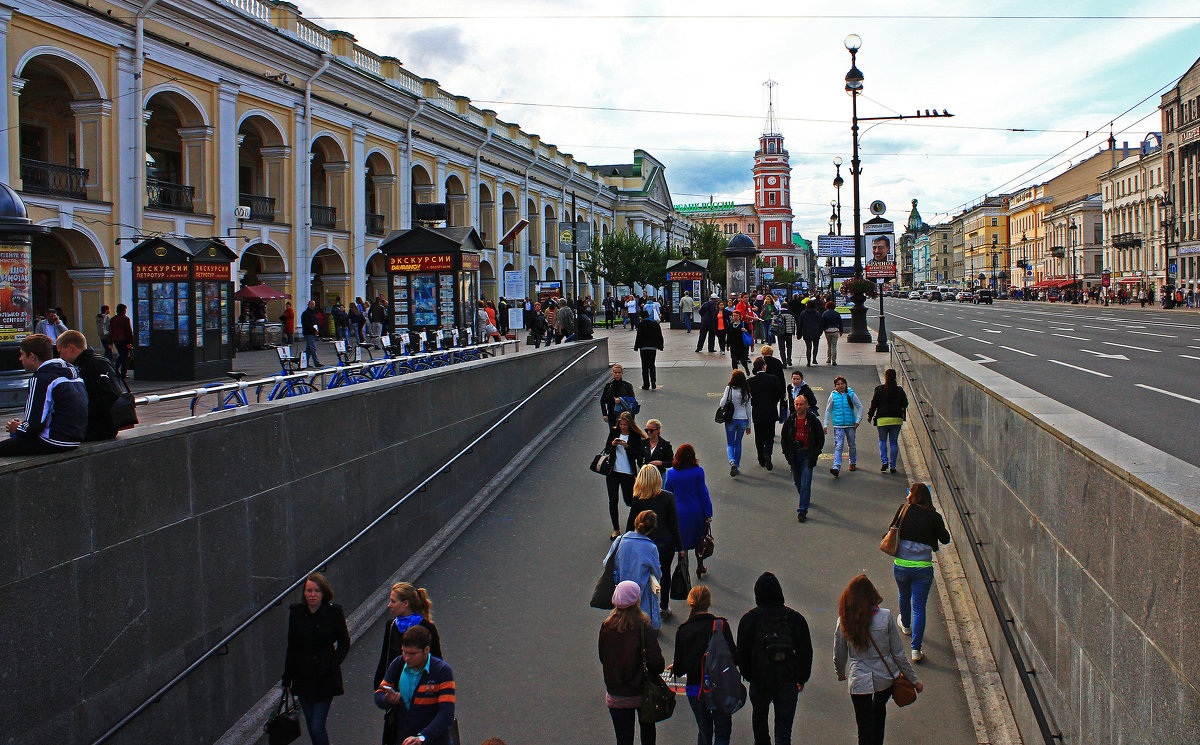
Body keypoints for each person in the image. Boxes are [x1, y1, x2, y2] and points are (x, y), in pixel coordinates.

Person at [834, 574, 922, 745]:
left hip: (858, 679)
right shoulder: (885, 616)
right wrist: (913, 680)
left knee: (863, 726)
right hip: (885, 677)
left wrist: (840, 673)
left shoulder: (844, 621)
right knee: (878, 712)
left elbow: (839, 653)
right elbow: (898, 654)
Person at [736, 572, 813, 745]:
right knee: (784, 735)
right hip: (787, 681)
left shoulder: (749, 620)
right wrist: (801, 678)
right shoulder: (795, 619)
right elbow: (805, 652)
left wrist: (751, 676)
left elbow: (742, 654)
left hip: (760, 681)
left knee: (760, 728)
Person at [283, 573, 351, 745]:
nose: (312, 594)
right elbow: (292, 646)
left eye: (316, 591)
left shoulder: (333, 613)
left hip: (324, 676)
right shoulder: (297, 613)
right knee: (312, 724)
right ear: (304, 593)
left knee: (316, 726)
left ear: (323, 593)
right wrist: (287, 678)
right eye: (309, 591)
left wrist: (333, 662)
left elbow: (344, 641)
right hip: (303, 676)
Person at [890, 483, 951, 662]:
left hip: (901, 564)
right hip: (923, 567)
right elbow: (945, 539)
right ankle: (916, 650)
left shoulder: (903, 510)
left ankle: (906, 625)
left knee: (903, 595)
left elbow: (890, 530)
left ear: (913, 496)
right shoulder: (934, 516)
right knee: (919, 607)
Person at [599, 580, 665, 745]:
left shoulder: (606, 627)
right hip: (642, 693)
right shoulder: (643, 627)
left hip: (616, 692)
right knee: (648, 735)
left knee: (623, 739)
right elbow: (657, 663)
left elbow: (603, 657)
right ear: (636, 600)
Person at [0, 334, 87, 457]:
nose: (20, 359)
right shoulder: (73, 374)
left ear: (32, 356)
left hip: (52, 440)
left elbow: (34, 424)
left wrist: (18, 428)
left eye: (22, 354)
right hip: (74, 439)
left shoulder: (41, 378)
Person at [673, 585, 737, 745]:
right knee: (722, 732)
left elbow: (680, 669)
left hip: (696, 688)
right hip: (720, 688)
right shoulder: (721, 626)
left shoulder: (683, 630)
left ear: (690, 603)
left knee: (704, 732)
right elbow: (734, 657)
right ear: (709, 603)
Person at [375, 625, 456, 745]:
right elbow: (379, 695)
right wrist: (387, 699)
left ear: (426, 650)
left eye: (413, 654)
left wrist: (422, 737)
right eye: (404, 652)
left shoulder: (442, 671)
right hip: (403, 740)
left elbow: (446, 714)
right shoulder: (398, 664)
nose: (407, 658)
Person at [625, 465, 684, 620]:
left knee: (645, 576)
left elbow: (631, 524)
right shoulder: (668, 497)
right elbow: (674, 524)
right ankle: (663, 606)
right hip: (666, 543)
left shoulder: (638, 500)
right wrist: (680, 547)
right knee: (665, 574)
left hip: (644, 544)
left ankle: (646, 608)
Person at [373, 582, 443, 689]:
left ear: (405, 603)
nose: (389, 605)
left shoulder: (427, 627)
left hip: (421, 689)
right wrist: (379, 686)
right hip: (397, 689)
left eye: (393, 601)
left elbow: (436, 661)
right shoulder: (391, 626)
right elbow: (385, 657)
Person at [55, 330, 121, 442]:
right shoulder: (78, 366)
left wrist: (82, 412)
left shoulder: (96, 363)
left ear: (70, 348)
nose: (60, 356)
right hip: (87, 426)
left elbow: (110, 394)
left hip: (98, 428)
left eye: (60, 352)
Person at [605, 512, 665, 630]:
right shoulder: (650, 547)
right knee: (642, 624)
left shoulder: (620, 540)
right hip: (642, 593)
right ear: (652, 529)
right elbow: (657, 573)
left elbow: (607, 562)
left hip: (622, 588)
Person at [663, 444, 713, 578]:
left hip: (680, 513)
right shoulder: (698, 471)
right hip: (696, 511)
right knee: (700, 540)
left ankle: (683, 570)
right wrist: (708, 513)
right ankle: (700, 566)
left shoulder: (672, 473)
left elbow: (668, 492)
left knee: (682, 543)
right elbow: (703, 493)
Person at [781, 394, 825, 522]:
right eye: (796, 404)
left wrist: (816, 453)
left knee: (806, 483)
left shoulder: (813, 421)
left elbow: (820, 438)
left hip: (807, 455)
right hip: (794, 455)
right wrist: (786, 453)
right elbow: (784, 438)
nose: (798, 407)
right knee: (798, 482)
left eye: (801, 404)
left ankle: (802, 510)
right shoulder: (790, 420)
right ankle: (804, 498)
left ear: (806, 405)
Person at [604, 412, 646, 540]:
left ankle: (635, 524)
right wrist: (613, 445)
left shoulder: (635, 436)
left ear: (630, 425)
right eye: (621, 424)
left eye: (625, 425)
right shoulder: (614, 432)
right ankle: (616, 529)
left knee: (629, 501)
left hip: (627, 472)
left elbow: (637, 456)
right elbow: (606, 450)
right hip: (613, 472)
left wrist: (627, 446)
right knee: (613, 500)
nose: (623, 427)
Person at [866, 369, 909, 473]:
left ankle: (884, 461)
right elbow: (905, 403)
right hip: (896, 419)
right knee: (894, 442)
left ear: (885, 377)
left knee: (882, 440)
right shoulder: (899, 390)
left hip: (882, 419)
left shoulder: (879, 389)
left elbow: (874, 404)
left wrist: (870, 415)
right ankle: (893, 465)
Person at [748, 357, 785, 470]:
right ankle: (768, 453)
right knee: (769, 435)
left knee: (759, 435)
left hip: (757, 412)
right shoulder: (773, 379)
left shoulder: (750, 381)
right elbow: (779, 394)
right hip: (770, 411)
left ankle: (761, 457)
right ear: (764, 367)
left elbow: (749, 398)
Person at [823, 375, 863, 477]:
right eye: (838, 384)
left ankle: (852, 462)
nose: (840, 386)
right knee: (838, 446)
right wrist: (825, 424)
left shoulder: (851, 394)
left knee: (852, 444)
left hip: (850, 425)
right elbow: (828, 410)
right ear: (835, 386)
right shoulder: (833, 395)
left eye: (842, 384)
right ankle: (836, 466)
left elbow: (859, 406)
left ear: (845, 384)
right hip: (838, 425)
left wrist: (858, 420)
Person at [717, 370, 753, 477]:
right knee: (738, 443)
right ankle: (737, 464)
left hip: (731, 419)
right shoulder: (746, 391)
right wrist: (749, 425)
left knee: (730, 443)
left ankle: (732, 461)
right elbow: (749, 410)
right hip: (743, 419)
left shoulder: (729, 389)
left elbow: (722, 403)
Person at [633, 310, 664, 390]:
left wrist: (636, 347)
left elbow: (638, 336)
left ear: (641, 317)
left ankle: (646, 385)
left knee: (645, 366)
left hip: (643, 348)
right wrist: (660, 346)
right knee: (652, 365)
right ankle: (653, 381)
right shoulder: (655, 323)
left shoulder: (641, 324)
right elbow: (659, 335)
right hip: (653, 347)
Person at [107, 304, 133, 377]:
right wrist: (131, 341)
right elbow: (128, 331)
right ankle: (121, 371)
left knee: (121, 354)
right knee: (124, 355)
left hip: (116, 340)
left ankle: (117, 369)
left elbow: (111, 331)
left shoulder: (113, 319)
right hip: (125, 339)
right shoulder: (125, 319)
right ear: (123, 310)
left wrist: (110, 342)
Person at [798, 300, 822, 367]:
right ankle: (814, 359)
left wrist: (799, 333)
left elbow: (800, 324)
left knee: (808, 347)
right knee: (816, 346)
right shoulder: (817, 313)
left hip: (806, 331)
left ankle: (808, 361)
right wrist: (820, 331)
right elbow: (820, 323)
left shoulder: (803, 313)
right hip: (816, 331)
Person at [821, 301, 844, 366]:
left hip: (828, 331)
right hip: (835, 330)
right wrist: (841, 331)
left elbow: (823, 322)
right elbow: (840, 323)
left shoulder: (825, 313)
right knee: (834, 346)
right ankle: (834, 360)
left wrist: (824, 329)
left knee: (829, 345)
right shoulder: (837, 313)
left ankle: (828, 358)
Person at [301, 300, 322, 367]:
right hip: (308, 332)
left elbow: (316, 322)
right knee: (313, 348)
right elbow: (307, 324)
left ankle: (305, 363)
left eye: (313, 304)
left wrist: (317, 329)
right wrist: (313, 330)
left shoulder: (314, 313)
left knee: (309, 349)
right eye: (311, 304)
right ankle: (316, 363)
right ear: (308, 304)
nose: (312, 305)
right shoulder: (305, 313)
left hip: (313, 332)